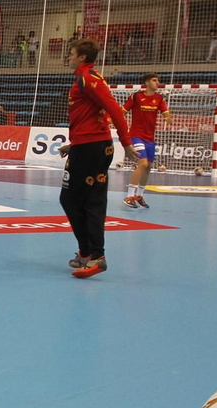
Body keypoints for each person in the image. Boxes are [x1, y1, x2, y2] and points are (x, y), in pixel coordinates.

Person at [59, 39, 131, 279]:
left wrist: (127, 141)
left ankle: (93, 255)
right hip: (88, 145)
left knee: (78, 200)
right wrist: (74, 144)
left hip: (93, 147)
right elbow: (91, 117)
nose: (67, 57)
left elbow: (115, 109)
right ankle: (90, 253)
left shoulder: (88, 79)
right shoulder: (87, 77)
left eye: (71, 54)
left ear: (81, 57)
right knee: (82, 200)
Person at [123, 73, 171, 210]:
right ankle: (129, 196)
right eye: (154, 80)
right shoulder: (136, 96)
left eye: (158, 80)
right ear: (147, 83)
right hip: (136, 135)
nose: (158, 83)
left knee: (149, 166)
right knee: (142, 163)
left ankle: (139, 195)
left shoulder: (160, 98)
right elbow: (124, 111)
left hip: (150, 138)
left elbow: (166, 114)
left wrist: (168, 117)